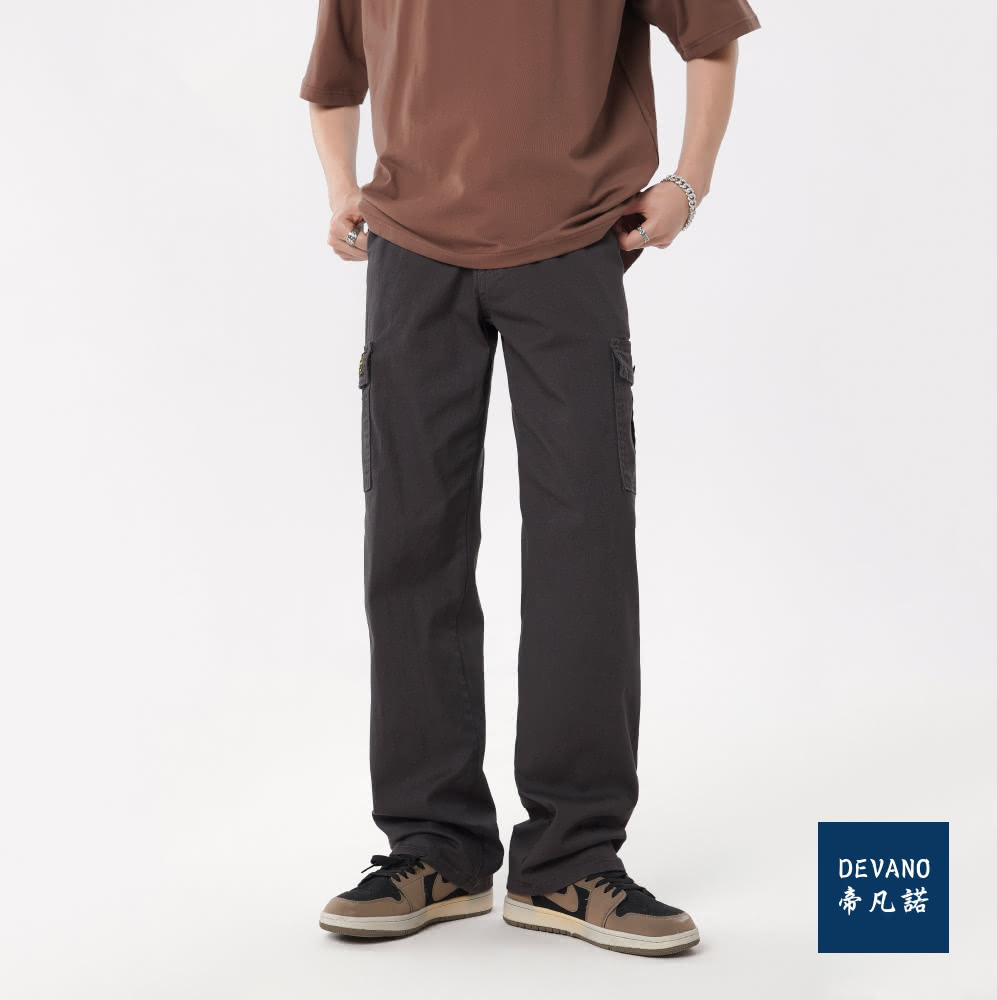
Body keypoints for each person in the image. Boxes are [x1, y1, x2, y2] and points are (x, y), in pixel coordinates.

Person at [302, 0, 759, 957]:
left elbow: (712, 35)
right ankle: (434, 847)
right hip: (410, 254)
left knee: (583, 550)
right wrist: (340, 185)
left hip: (574, 244)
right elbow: (335, 81)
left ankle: (570, 858)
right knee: (412, 549)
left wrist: (691, 183)